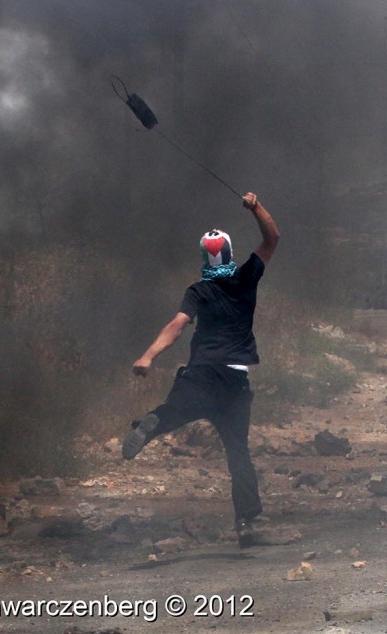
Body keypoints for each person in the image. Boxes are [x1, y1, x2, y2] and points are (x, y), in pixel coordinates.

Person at [122, 191, 279, 549]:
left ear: (203, 259)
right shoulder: (245, 279)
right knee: (238, 451)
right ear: (230, 254)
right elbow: (272, 238)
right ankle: (246, 523)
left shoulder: (198, 290)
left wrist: (148, 356)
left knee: (173, 412)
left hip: (200, 374)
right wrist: (256, 207)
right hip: (234, 380)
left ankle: (150, 425)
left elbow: (177, 326)